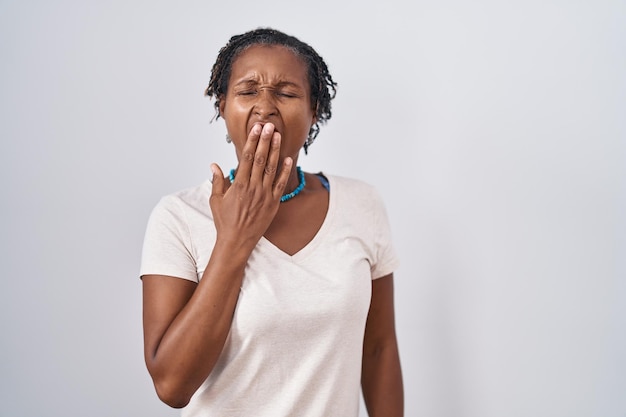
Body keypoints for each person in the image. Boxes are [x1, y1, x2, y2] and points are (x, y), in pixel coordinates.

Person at [140, 27, 403, 417]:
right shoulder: (178, 216)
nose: (265, 106)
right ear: (222, 106)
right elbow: (172, 385)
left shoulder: (361, 204)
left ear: (315, 110)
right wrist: (234, 239)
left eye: (286, 92)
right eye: (248, 91)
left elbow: (378, 347)